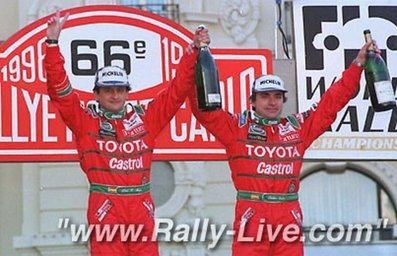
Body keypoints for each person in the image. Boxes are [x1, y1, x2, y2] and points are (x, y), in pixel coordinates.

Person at [44, 10, 209, 256]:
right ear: (96, 94)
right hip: (105, 205)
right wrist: (52, 44)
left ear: (127, 92)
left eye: (120, 89)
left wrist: (194, 51)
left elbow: (177, 92)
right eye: (108, 90)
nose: (115, 95)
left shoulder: (145, 119)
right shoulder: (85, 121)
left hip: (140, 204)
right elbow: (59, 90)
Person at [188, 41, 374, 255]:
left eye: (277, 96)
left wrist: (357, 65)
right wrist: (193, 64)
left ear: (284, 100)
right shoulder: (236, 127)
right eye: (265, 96)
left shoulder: (297, 128)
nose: (272, 102)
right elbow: (203, 111)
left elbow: (331, 103)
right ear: (253, 101)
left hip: (288, 213)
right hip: (252, 211)